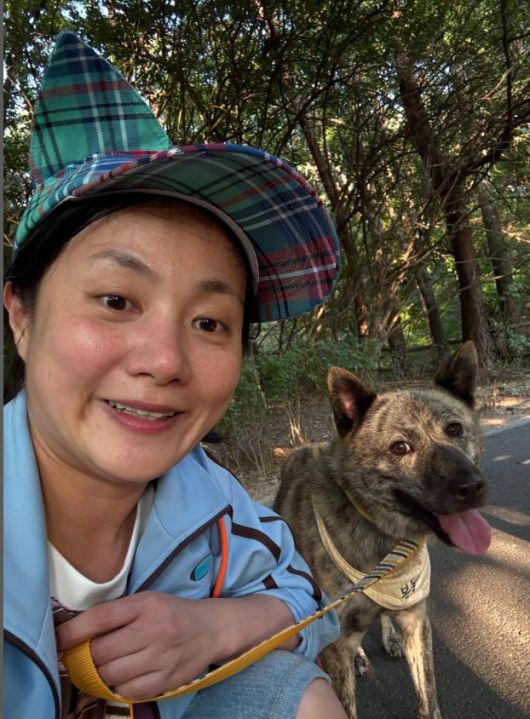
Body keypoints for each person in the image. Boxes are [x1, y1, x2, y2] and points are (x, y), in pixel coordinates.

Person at [3, 32, 346, 719]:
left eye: (210, 322)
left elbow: (310, 599)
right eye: (115, 301)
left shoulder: (216, 504)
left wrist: (210, 628)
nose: (165, 360)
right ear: (21, 316)